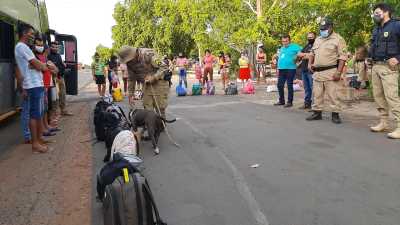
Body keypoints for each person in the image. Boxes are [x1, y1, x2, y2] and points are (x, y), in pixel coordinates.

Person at [14, 23, 55, 153]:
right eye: (31, 33)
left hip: (36, 84)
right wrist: (45, 66)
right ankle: (35, 144)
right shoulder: (22, 47)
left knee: (37, 114)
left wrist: (41, 66)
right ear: (25, 33)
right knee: (34, 115)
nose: (33, 36)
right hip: (32, 85)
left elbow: (36, 65)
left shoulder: (23, 47)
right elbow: (37, 65)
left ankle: (38, 139)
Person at [306, 17, 348, 124]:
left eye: (325, 28)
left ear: (331, 27)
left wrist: (339, 72)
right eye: (321, 28)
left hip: (331, 71)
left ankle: (335, 114)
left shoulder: (338, 39)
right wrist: (310, 63)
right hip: (317, 72)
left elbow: (342, 57)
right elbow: (312, 53)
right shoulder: (318, 39)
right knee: (317, 94)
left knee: (333, 94)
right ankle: (317, 113)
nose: (323, 30)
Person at [369, 3, 400, 139]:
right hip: (376, 66)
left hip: (389, 68)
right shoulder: (376, 29)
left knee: (392, 97)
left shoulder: (396, 25)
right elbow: (372, 46)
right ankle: (384, 122)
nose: (375, 15)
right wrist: (368, 58)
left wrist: (398, 58)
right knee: (379, 97)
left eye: (377, 12)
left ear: (386, 12)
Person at [117, 46, 171, 118]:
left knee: (160, 108)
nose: (128, 62)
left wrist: (154, 77)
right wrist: (131, 94)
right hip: (146, 84)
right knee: (147, 109)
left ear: (133, 54)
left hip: (159, 83)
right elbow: (131, 79)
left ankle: (161, 126)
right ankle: (150, 127)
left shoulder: (148, 54)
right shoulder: (130, 63)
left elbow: (164, 68)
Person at [33, 35, 59, 137]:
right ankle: (42, 129)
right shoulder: (34, 57)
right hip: (40, 85)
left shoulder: (44, 57)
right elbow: (43, 68)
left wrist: (51, 67)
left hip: (47, 85)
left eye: (41, 45)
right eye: (37, 44)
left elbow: (55, 70)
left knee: (45, 108)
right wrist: (48, 67)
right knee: (41, 109)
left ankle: (46, 126)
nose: (40, 46)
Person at [274, 35, 302, 107]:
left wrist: (297, 57)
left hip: (291, 69)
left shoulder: (295, 46)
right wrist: (278, 68)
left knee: (289, 85)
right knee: (280, 85)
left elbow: (302, 51)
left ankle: (289, 102)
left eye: (286, 41)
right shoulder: (282, 48)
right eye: (283, 41)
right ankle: (281, 101)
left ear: (289, 41)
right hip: (281, 69)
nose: (284, 43)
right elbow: (280, 58)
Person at [47, 41, 72, 116]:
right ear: (50, 47)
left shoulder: (58, 55)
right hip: (53, 79)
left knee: (63, 94)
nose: (55, 48)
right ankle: (55, 113)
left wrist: (63, 66)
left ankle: (63, 110)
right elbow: (49, 67)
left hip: (60, 77)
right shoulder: (48, 56)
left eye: (56, 47)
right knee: (54, 97)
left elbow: (61, 65)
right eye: (53, 47)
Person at [297, 32, 316, 109]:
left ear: (315, 37)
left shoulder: (316, 45)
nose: (309, 38)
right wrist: (307, 55)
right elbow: (298, 54)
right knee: (306, 88)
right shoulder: (307, 45)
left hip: (311, 70)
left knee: (313, 88)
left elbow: (314, 55)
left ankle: (314, 106)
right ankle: (307, 103)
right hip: (304, 69)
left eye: (311, 37)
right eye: (308, 37)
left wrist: (304, 55)